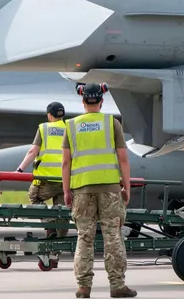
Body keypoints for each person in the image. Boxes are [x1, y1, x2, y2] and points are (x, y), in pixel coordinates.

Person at [62, 83, 136, 298]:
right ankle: (117, 286)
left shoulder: (72, 125)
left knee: (84, 238)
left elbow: (66, 163)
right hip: (110, 190)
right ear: (101, 101)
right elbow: (123, 158)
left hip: (82, 190)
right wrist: (127, 187)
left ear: (83, 101)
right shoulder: (111, 123)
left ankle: (83, 287)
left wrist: (66, 190)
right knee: (112, 236)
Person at [16, 101, 68, 238]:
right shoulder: (70, 129)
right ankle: (61, 235)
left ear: (49, 115)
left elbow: (33, 152)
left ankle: (49, 224)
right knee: (62, 209)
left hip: (46, 180)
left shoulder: (44, 129)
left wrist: (19, 170)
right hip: (65, 179)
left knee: (34, 197)